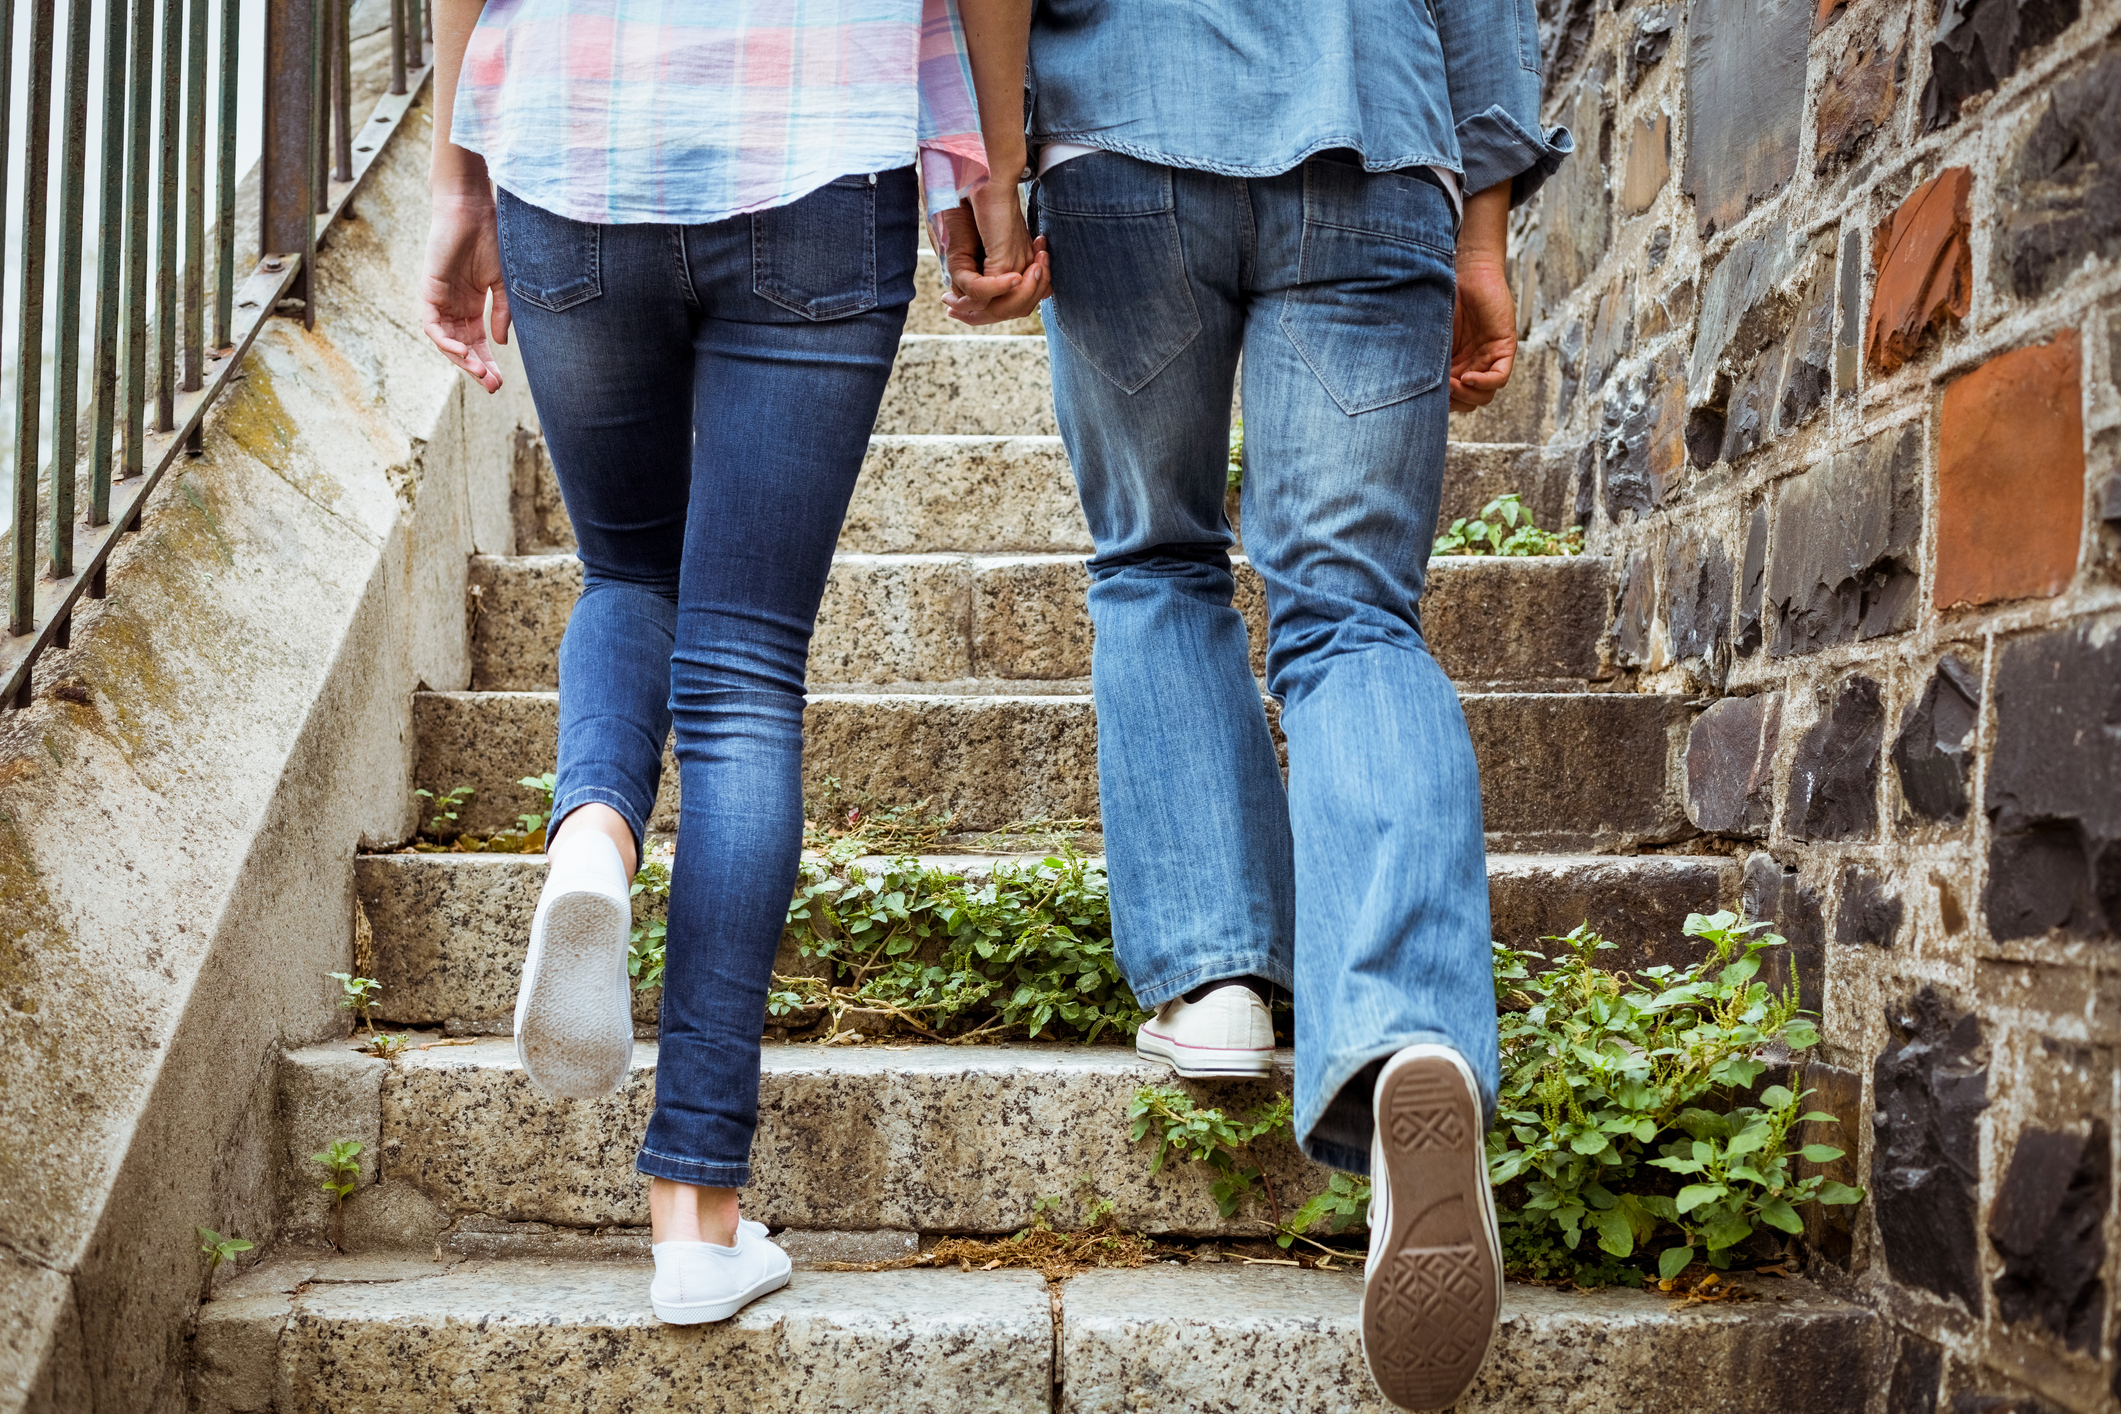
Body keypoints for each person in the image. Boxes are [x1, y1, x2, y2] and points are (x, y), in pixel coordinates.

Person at [948, 3, 1569, 1406]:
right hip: (1379, 139)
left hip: (1128, 137)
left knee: (1156, 554)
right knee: (1350, 615)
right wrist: (1482, 237)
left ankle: (1215, 975)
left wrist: (993, 168)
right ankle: (1405, 1014)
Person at [418, 0, 1046, 1325]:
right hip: (817, 139)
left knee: (626, 568)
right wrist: (992, 164)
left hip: (569, 134)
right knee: (745, 671)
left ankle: (593, 830)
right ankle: (695, 1217)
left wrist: (454, 176)